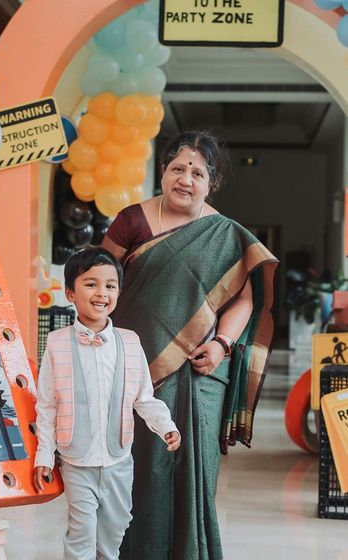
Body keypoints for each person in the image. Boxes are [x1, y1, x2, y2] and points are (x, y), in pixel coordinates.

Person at [101, 130, 278, 560]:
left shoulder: (227, 235)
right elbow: (99, 282)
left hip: (202, 372)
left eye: (198, 172)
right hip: (135, 369)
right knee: (140, 474)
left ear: (211, 182)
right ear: (162, 171)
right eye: (177, 168)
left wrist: (222, 343)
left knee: (195, 472)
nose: (186, 178)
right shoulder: (132, 221)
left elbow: (245, 301)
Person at [33, 247, 181, 560]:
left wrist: (165, 426)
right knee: (81, 531)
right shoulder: (57, 343)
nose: (102, 293)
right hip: (76, 460)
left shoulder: (130, 341)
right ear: (71, 293)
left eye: (110, 285)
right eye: (91, 284)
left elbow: (143, 397)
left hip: (118, 459)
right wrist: (44, 453)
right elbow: (47, 405)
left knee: (116, 527)